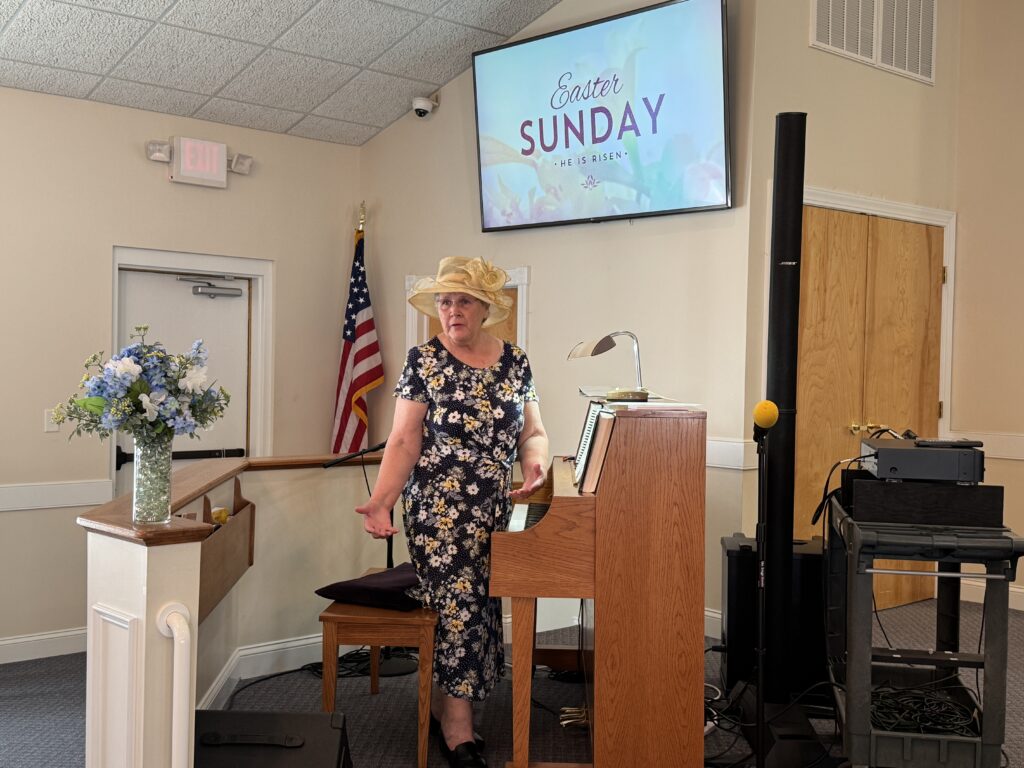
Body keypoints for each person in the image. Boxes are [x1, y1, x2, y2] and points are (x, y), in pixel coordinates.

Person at [356, 256, 549, 768]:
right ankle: (458, 728)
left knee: (480, 607)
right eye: (444, 301)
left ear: (485, 308)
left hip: (495, 508)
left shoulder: (515, 360)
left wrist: (536, 465)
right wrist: (382, 500)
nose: (452, 310)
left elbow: (533, 432)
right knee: (460, 604)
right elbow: (404, 438)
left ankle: (446, 700)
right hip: (439, 508)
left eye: (463, 300)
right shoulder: (424, 360)